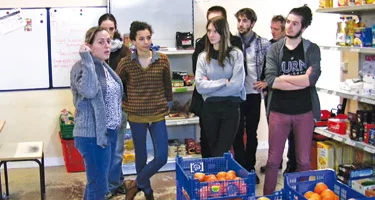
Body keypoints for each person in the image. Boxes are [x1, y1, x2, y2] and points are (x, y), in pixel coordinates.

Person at [263, 5, 321, 195]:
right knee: (272, 161)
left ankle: (304, 196)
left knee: (303, 161)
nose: (289, 26)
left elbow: (311, 79)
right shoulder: (274, 49)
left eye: (294, 24)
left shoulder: (312, 49)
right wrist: (301, 80)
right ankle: (268, 197)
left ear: (303, 28)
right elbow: (271, 80)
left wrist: (285, 79)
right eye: (288, 22)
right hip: (279, 112)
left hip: (304, 112)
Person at [116, 21, 172, 200]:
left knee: (161, 156)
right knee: (140, 157)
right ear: (133, 41)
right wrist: (127, 102)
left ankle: (136, 183)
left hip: (157, 115)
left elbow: (167, 87)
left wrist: (167, 104)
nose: (146, 41)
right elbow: (118, 86)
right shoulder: (126, 63)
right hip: (136, 116)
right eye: (141, 38)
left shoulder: (162, 59)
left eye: (148, 37)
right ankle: (148, 192)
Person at [70, 26, 123, 200]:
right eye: (101, 42)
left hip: (109, 134)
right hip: (92, 136)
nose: (107, 45)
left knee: (98, 183)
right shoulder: (80, 67)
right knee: (99, 187)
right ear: (89, 46)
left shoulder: (105, 67)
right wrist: (86, 58)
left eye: (108, 41)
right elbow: (90, 90)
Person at [190, 5, 242, 158]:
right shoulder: (202, 56)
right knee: (211, 150)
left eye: (215, 31)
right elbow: (200, 86)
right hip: (209, 109)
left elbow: (237, 86)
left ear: (223, 31)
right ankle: (211, 181)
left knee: (221, 151)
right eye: (209, 30)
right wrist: (223, 82)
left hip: (230, 108)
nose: (211, 35)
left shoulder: (236, 54)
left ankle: (220, 181)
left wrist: (210, 86)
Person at [232, 8, 270, 184]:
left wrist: (266, 81)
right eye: (239, 20)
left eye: (245, 21)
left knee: (252, 134)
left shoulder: (263, 43)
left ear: (252, 23)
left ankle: (249, 168)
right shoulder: (232, 42)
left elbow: (271, 67)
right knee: (237, 133)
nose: (241, 24)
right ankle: (240, 168)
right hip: (237, 93)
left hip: (254, 94)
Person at [97, 13, 132, 199]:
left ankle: (112, 185)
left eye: (111, 29)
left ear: (116, 29)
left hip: (120, 105)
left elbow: (129, 79)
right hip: (100, 107)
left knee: (117, 149)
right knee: (106, 148)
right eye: (104, 29)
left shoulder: (124, 51)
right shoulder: (95, 50)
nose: (108, 33)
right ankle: (116, 181)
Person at [260, 14, 297, 175]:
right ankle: (275, 162)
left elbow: (287, 73)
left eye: (276, 29)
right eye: (271, 29)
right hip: (271, 97)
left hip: (288, 96)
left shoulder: (290, 48)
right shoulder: (269, 46)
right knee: (274, 132)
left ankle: (292, 165)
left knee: (291, 133)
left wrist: (268, 82)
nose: (273, 32)